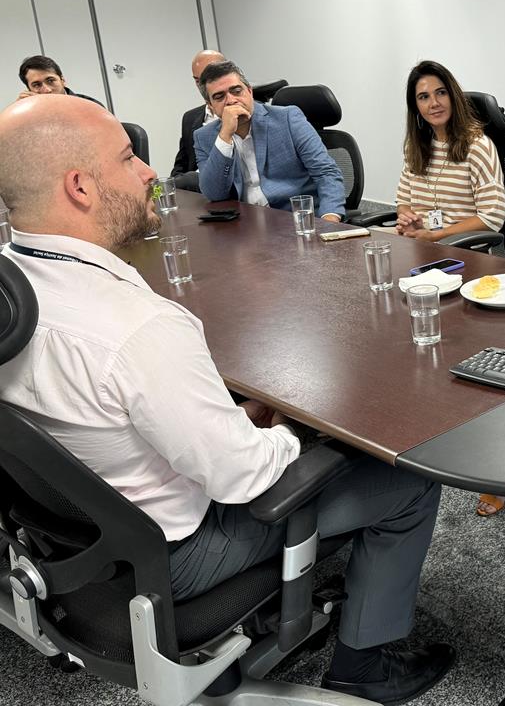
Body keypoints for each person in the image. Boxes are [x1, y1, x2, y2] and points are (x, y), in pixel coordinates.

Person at [0, 95, 455, 702]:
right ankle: (364, 667)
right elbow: (241, 477)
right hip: (173, 556)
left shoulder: (13, 291)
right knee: (406, 484)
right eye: (129, 157)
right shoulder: (138, 329)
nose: (149, 174)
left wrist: (227, 417)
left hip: (69, 541)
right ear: (79, 186)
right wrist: (293, 433)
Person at [194, 60, 346, 221]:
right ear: (210, 106)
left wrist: (330, 219)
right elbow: (214, 194)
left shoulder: (287, 118)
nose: (231, 100)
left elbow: (326, 172)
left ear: (249, 92)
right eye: (219, 97)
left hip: (294, 219)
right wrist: (225, 136)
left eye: (236, 91)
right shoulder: (204, 137)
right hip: (243, 226)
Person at [395, 60, 505, 242]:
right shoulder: (413, 147)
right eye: (424, 97)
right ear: (415, 106)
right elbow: (403, 201)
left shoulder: (478, 147)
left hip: (461, 248)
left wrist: (436, 235)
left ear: (453, 96)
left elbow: (491, 217)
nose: (434, 103)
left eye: (441, 93)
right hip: (420, 242)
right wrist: (408, 218)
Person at [170, 49, 225, 191]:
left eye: (208, 78)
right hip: (197, 196)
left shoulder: (242, 113)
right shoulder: (190, 118)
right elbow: (179, 168)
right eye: (197, 80)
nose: (203, 86)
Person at [16, 54, 103, 106]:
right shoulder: (27, 114)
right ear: (29, 90)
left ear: (63, 80)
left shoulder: (91, 107)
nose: (47, 90)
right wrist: (18, 110)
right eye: (37, 85)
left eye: (50, 80)